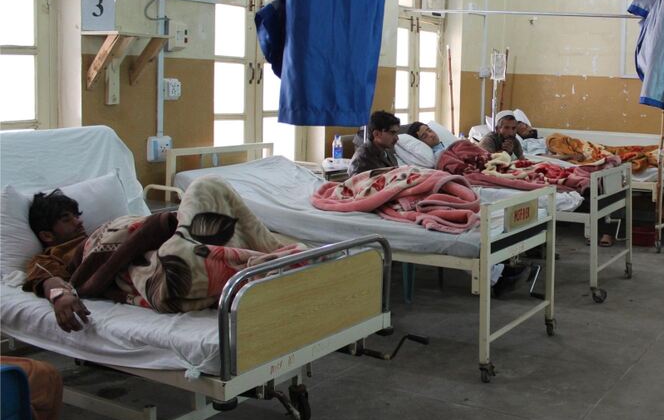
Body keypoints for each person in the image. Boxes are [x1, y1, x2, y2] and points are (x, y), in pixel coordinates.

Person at [23, 177, 296, 326]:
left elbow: (131, 233)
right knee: (181, 257)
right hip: (154, 270)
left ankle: (278, 253)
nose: (79, 221)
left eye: (76, 215)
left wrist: (152, 228)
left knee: (208, 185)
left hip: (167, 241)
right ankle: (274, 262)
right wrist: (60, 296)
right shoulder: (54, 256)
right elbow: (47, 280)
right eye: (67, 219)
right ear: (47, 235)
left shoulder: (102, 230)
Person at [349, 111, 401, 176]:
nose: (397, 138)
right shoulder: (362, 160)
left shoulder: (387, 152)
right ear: (376, 134)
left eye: (396, 133)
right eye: (392, 133)